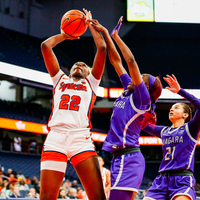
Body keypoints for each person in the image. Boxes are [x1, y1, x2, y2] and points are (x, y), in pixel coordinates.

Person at [91, 17, 162, 200]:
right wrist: (107, 33)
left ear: (145, 88)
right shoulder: (128, 91)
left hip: (128, 159)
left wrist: (117, 37)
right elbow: (116, 61)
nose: (136, 76)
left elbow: (130, 60)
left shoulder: (142, 99)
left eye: (142, 77)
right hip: (120, 158)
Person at [40, 8, 106, 200]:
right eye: (76, 64)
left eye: (84, 65)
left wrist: (91, 26)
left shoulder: (91, 83)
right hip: (55, 137)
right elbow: (45, 46)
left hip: (80, 138)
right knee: (46, 197)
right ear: (69, 71)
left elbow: (102, 49)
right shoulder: (59, 79)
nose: (79, 65)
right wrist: (64, 35)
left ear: (89, 72)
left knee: (98, 196)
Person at [142, 74, 200, 200]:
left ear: (185, 115)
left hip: (182, 179)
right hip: (161, 180)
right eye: (171, 108)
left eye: (176, 108)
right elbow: (143, 124)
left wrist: (180, 91)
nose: (171, 110)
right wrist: (146, 101)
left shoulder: (190, 129)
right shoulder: (164, 131)